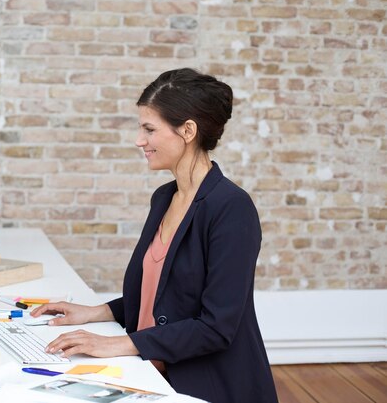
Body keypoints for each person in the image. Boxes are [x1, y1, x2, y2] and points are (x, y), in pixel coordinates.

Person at [31, 68, 279, 403]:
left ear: (188, 131)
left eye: (149, 129)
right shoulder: (165, 198)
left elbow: (216, 327)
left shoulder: (231, 208)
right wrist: (94, 312)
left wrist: (117, 344)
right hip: (149, 368)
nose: (139, 140)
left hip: (205, 385)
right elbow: (164, 295)